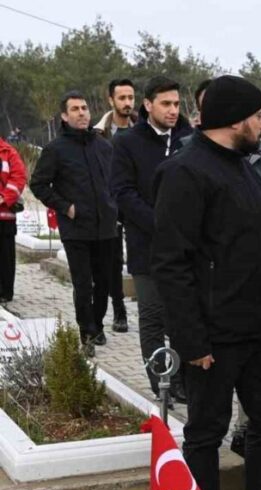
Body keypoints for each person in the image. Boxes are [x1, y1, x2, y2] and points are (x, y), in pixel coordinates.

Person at [151, 75, 261, 490]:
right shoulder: (185, 172)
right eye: (257, 116)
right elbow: (171, 262)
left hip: (258, 330)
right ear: (235, 120)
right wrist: (191, 339)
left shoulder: (243, 167)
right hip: (211, 337)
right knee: (206, 434)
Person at [110, 76, 193, 404]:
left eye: (176, 104)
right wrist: (159, 223)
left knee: (184, 313)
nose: (173, 110)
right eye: (166, 104)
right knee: (154, 315)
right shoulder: (128, 142)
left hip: (187, 246)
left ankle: (183, 380)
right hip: (148, 244)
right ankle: (161, 380)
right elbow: (123, 192)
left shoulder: (190, 138)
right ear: (148, 105)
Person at [29, 91, 118, 356]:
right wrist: (66, 207)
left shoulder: (103, 146)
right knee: (83, 283)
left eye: (84, 108)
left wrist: (114, 207)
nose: (82, 113)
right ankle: (87, 334)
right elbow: (38, 184)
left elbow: (115, 181)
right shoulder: (55, 149)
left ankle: (98, 325)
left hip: (106, 227)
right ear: (65, 116)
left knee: (103, 283)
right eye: (75, 109)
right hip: (76, 228)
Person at [94, 79, 136, 333]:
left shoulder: (142, 131)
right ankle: (119, 310)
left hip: (137, 203)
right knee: (113, 260)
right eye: (122, 98)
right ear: (111, 100)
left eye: (131, 97)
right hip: (109, 205)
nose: (127, 102)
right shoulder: (98, 134)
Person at [0, 136, 27, 303]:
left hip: (4, 218)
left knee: (5, 257)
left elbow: (19, 177)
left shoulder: (8, 152)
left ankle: (4, 292)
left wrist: (4, 198)